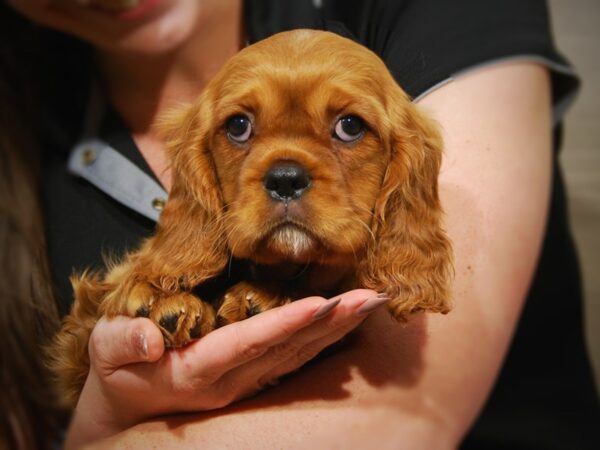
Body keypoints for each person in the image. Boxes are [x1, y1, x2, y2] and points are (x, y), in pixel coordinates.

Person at [1, 0, 598, 448]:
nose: (285, 172)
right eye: (239, 129)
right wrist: (99, 411)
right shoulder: (24, 126)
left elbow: (402, 419)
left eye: (347, 128)